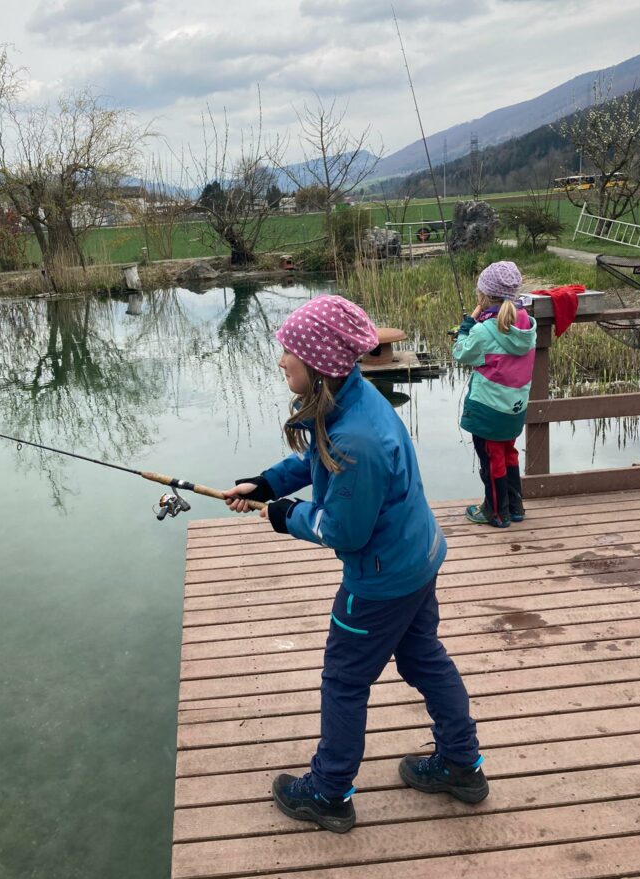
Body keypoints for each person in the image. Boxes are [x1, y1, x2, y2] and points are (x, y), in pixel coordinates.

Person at [224, 294, 488, 834]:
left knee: (344, 679)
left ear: (318, 364)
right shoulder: (353, 398)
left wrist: (284, 515)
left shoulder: (359, 441)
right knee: (423, 658)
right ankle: (463, 765)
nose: (281, 362)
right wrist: (268, 483)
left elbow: (343, 530)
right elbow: (314, 455)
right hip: (418, 557)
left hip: (381, 580)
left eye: (288, 354)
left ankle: (329, 791)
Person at [452, 261, 537, 528]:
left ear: (485, 296)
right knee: (508, 452)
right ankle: (515, 506)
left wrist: (467, 325)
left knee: (491, 457)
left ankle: (496, 513)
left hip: (489, 408)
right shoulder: (527, 324)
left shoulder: (483, 329)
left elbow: (461, 352)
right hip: (515, 406)